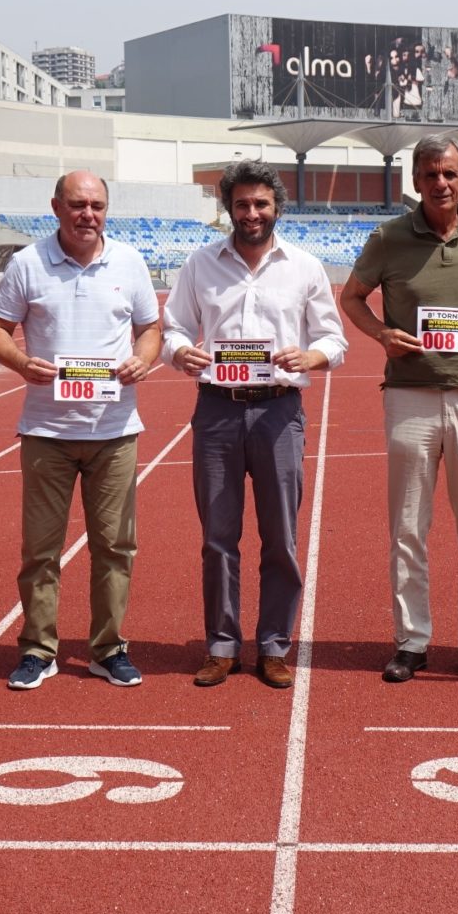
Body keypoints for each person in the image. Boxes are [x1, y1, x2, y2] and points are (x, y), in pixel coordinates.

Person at [340, 134, 458, 687]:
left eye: (449, 174)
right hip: (410, 396)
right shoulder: (389, 237)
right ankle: (412, 640)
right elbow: (351, 296)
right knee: (408, 528)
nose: (440, 183)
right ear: (416, 182)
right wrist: (381, 334)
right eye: (430, 175)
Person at [163, 160, 347, 689]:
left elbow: (333, 338)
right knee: (218, 536)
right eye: (242, 204)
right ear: (228, 208)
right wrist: (181, 353)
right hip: (217, 409)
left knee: (281, 537)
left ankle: (273, 645)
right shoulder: (200, 264)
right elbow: (174, 326)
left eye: (261, 204)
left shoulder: (305, 267)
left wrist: (313, 358)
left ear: (277, 209)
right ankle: (221, 645)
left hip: (279, 411)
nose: (251, 213)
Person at [0, 171, 162, 691]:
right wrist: (20, 363)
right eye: (78, 204)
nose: (89, 214)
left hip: (115, 429)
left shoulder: (128, 262)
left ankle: (108, 648)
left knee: (115, 546)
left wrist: (141, 362)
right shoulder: (27, 263)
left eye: (97, 205)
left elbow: (150, 330)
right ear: (56, 207)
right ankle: (38, 648)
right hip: (46, 431)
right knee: (41, 549)